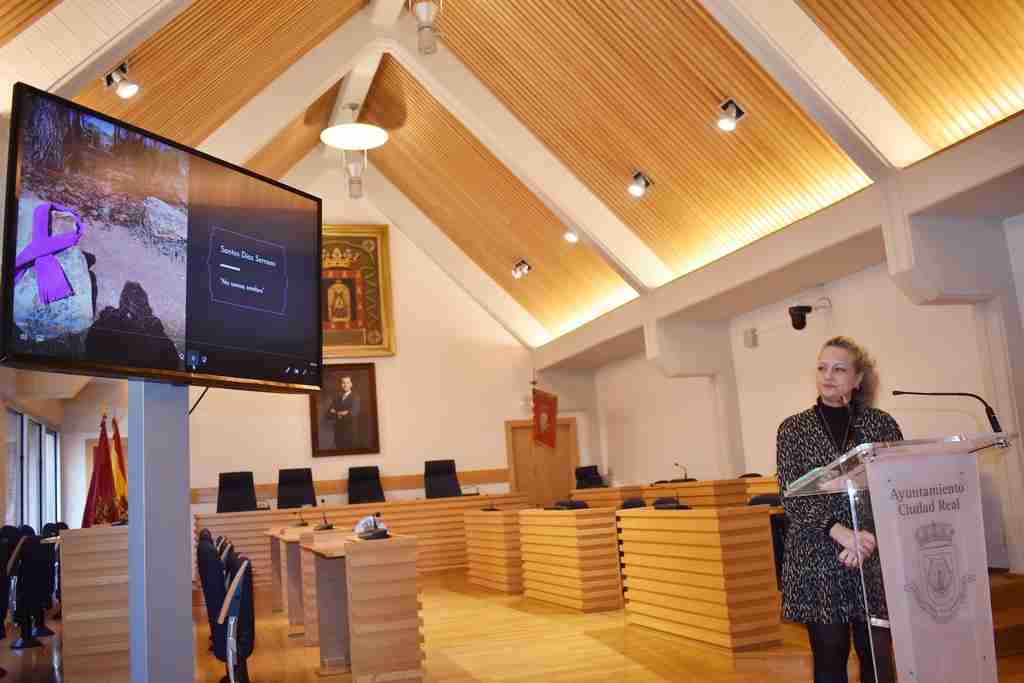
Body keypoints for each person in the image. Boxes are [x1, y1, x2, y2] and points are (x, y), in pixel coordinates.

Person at [777, 336, 902, 683]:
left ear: (858, 379)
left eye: (839, 369)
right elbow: (793, 496)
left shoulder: (881, 424)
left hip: (871, 555)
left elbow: (897, 486)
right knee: (830, 656)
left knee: (877, 654)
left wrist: (869, 539)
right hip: (819, 553)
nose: (828, 375)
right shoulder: (793, 429)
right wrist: (844, 534)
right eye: (822, 368)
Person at [328, 375, 360, 449]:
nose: (345, 385)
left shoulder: (355, 397)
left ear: (351, 384)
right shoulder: (337, 398)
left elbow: (353, 413)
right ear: (341, 385)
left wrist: (336, 412)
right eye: (343, 383)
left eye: (347, 383)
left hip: (350, 433)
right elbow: (328, 414)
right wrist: (341, 413)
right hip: (338, 433)